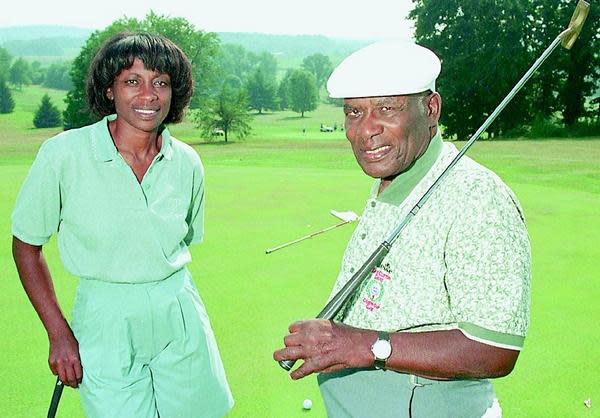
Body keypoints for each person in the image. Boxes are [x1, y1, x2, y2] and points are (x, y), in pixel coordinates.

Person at [273, 40, 531, 417]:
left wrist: (366, 345)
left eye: (386, 109)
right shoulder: (393, 175)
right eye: (354, 112)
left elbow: (494, 349)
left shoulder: (477, 198)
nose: (366, 131)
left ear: (431, 109)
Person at [12, 32, 233, 418]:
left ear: (173, 92)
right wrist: (59, 334)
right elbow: (26, 246)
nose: (148, 95)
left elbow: (185, 240)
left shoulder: (187, 162)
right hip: (104, 318)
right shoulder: (63, 155)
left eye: (160, 82)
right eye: (133, 81)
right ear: (110, 90)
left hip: (178, 307)